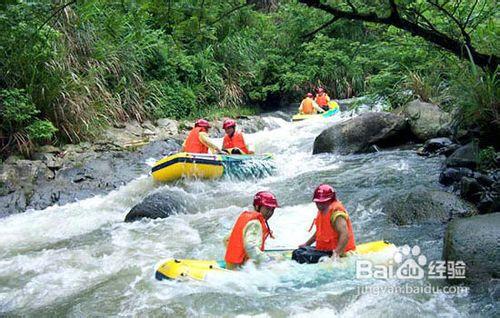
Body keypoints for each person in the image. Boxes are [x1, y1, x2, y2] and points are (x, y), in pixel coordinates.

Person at [292, 184, 356, 264]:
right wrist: (306, 244)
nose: (320, 205)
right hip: (324, 251)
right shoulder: (322, 210)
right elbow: (319, 232)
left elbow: (345, 234)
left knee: (301, 257)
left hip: (338, 252)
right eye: (318, 202)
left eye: (323, 202)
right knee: (297, 252)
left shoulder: (336, 212)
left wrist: (336, 254)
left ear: (331, 200)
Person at [224, 191, 279, 269]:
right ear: (257, 206)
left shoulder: (248, 219)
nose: (270, 213)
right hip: (242, 270)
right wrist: (267, 260)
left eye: (272, 210)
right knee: (279, 260)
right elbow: (250, 247)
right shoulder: (255, 224)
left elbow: (226, 239)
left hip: (233, 266)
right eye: (267, 209)